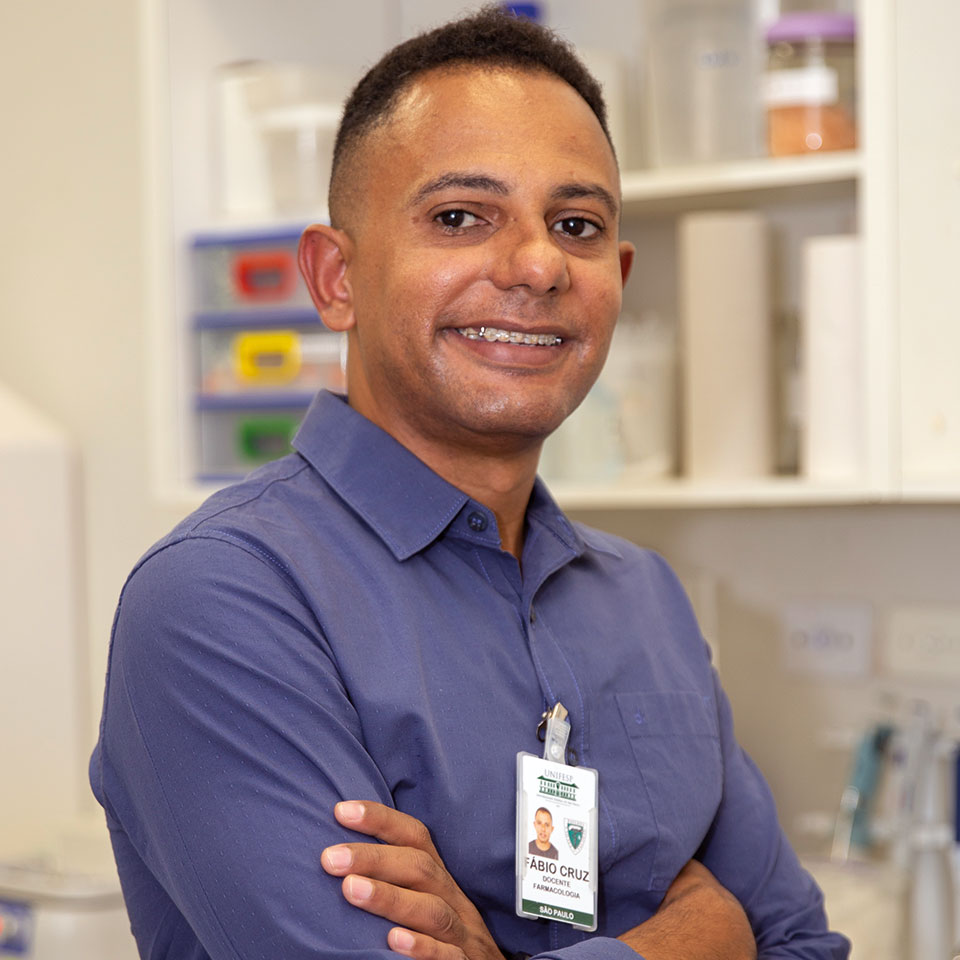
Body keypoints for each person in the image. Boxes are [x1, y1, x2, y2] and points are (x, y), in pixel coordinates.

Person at [91, 7, 850, 960]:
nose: (536, 265)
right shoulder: (222, 600)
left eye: (575, 226)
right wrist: (701, 933)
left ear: (615, 275)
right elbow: (750, 935)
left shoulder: (643, 599)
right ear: (336, 279)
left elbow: (803, 947)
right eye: (459, 217)